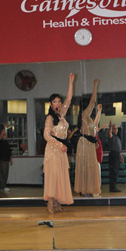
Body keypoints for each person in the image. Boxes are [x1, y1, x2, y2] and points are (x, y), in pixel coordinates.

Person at [43, 73, 75, 214]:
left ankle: (57, 202)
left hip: (62, 151)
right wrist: (59, 145)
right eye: (55, 101)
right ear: (51, 104)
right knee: (53, 176)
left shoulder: (61, 115)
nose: (58, 103)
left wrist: (70, 81)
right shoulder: (50, 118)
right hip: (53, 150)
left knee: (61, 176)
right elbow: (46, 134)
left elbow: (69, 98)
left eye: (59, 101)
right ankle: (50, 203)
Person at [74, 79, 101, 197]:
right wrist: (95, 85)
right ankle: (84, 190)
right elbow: (93, 101)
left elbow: (94, 128)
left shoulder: (88, 118)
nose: (92, 107)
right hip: (84, 143)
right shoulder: (84, 115)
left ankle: (88, 190)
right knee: (85, 167)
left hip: (89, 144)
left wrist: (99, 112)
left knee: (90, 167)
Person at [108, 120, 124, 192]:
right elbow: (109, 133)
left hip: (117, 155)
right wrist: (110, 126)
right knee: (113, 171)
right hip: (113, 155)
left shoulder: (117, 137)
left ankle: (114, 186)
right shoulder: (112, 137)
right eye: (114, 128)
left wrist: (120, 156)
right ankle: (112, 187)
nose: (116, 130)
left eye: (116, 128)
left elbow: (117, 148)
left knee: (116, 171)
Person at [0, 124, 13, 193]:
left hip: (6, 159)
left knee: (6, 173)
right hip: (2, 160)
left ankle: (4, 186)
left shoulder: (6, 142)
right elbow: (0, 136)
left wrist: (10, 159)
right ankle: (2, 187)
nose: (5, 136)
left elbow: (9, 151)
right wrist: (4, 128)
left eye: (5, 134)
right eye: (4, 135)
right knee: (2, 174)